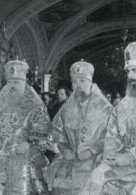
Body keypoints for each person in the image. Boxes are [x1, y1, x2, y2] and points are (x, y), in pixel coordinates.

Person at [82, 35, 136, 194]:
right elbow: (113, 136)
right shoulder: (124, 104)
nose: (129, 76)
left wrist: (131, 157)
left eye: (134, 70)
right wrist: (112, 157)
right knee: (98, 176)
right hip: (127, 166)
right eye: (128, 71)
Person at [0, 59, 51, 195]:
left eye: (17, 82)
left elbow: (44, 131)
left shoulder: (36, 107)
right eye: (11, 82)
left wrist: (29, 143)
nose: (13, 86)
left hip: (24, 152)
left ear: (24, 83)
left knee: (24, 168)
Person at [44, 59, 113, 195]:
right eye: (75, 82)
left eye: (82, 81)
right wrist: (63, 149)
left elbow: (113, 137)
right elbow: (56, 134)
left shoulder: (105, 108)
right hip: (69, 160)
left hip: (96, 160)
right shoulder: (66, 109)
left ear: (90, 82)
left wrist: (92, 151)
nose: (78, 85)